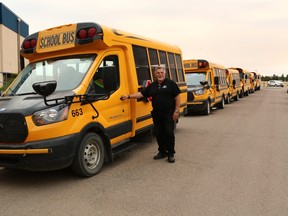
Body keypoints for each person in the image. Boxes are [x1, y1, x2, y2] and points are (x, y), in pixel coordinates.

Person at [121, 66, 181, 163]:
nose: (160, 74)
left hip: (169, 114)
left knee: (169, 133)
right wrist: (128, 96)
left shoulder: (171, 84)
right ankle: (162, 152)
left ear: (164, 73)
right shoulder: (152, 86)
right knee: (159, 133)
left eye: (161, 72)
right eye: (158, 73)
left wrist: (177, 110)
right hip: (157, 114)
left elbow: (177, 97)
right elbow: (141, 94)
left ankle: (170, 154)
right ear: (155, 74)